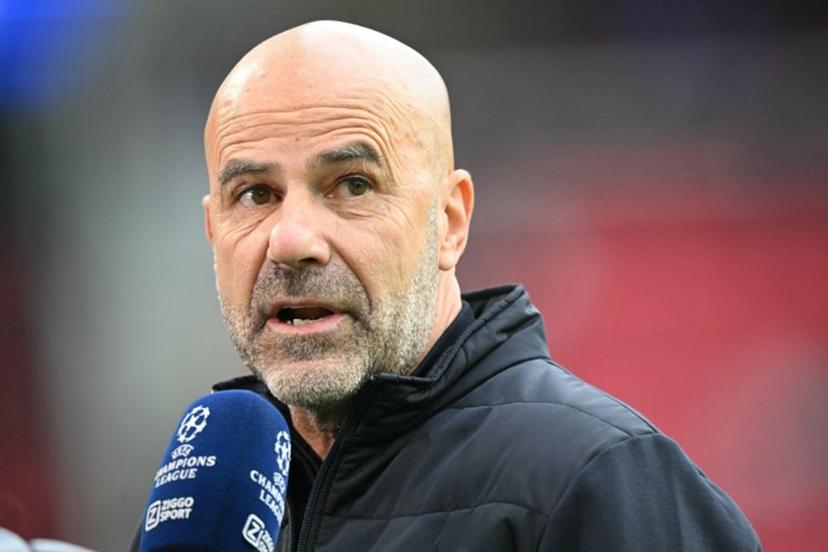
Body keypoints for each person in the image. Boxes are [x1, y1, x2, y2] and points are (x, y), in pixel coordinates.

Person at [135, 20, 760, 551]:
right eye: (255, 194)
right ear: (214, 233)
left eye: (352, 184)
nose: (292, 239)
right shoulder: (208, 499)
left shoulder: (598, 479)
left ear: (449, 222)